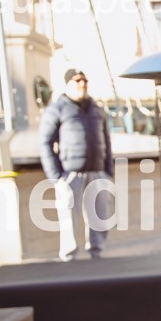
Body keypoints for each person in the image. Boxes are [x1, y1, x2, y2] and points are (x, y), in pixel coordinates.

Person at [40, 68, 114, 261]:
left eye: (85, 80)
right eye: (77, 81)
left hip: (97, 172)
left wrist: (108, 171)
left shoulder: (96, 110)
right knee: (68, 219)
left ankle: (97, 254)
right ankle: (69, 258)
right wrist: (56, 176)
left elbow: (107, 141)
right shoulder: (57, 109)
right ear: (67, 84)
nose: (82, 84)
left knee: (99, 216)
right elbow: (45, 142)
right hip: (70, 173)